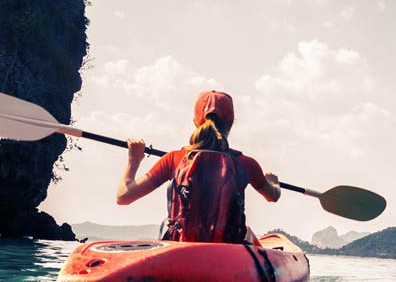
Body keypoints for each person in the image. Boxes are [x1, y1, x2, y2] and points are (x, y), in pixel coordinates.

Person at [116, 90, 281, 244]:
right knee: (248, 233)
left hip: (180, 247)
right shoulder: (246, 164)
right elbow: (272, 196)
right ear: (230, 123)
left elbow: (124, 197)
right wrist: (273, 183)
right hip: (228, 251)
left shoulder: (174, 159)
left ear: (196, 121)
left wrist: (134, 160)